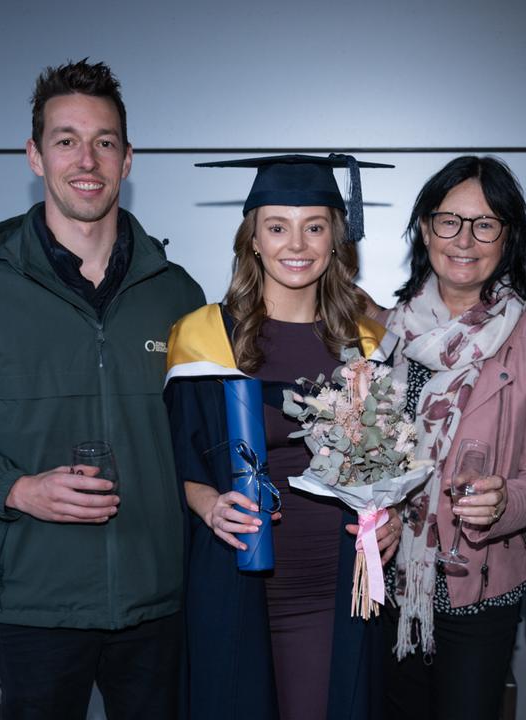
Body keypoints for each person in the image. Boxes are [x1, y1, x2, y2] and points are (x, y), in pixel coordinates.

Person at [0, 60, 204, 720]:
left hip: (159, 600)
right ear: (35, 156)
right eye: (66, 139)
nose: (86, 159)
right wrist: (18, 489)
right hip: (37, 603)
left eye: (104, 141)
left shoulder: (179, 296)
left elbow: (201, 441)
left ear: (128, 159)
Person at [165, 154, 397, 720]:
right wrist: (211, 505)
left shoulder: (369, 338)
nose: (297, 244)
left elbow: (390, 465)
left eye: (315, 226)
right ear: (253, 240)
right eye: (277, 227)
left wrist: (389, 523)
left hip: (334, 578)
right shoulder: (203, 336)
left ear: (335, 239)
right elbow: (178, 462)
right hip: (237, 569)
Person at [383, 156, 526, 720]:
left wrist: (506, 501)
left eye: (485, 224)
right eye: (449, 221)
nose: (464, 239)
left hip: (480, 585)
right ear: (424, 228)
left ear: (509, 236)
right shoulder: (388, 330)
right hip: (386, 582)